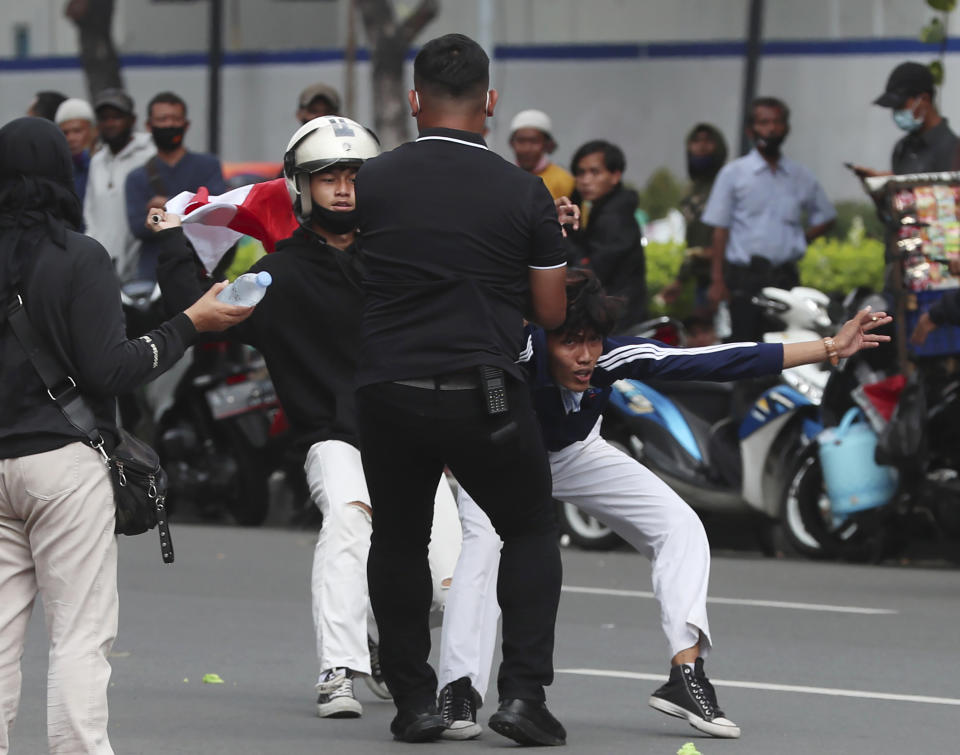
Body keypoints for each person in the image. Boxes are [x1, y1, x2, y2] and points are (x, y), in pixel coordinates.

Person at [436, 268, 892, 741]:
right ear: (542, 334)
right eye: (571, 342)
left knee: (681, 526)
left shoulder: (612, 357)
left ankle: (685, 675)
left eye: (593, 340)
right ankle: (458, 691)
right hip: (500, 456)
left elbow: (715, 360)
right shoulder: (514, 349)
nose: (586, 356)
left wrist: (830, 347)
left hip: (575, 452)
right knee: (483, 550)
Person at [150, 115, 463, 720]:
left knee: (454, 576)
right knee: (350, 519)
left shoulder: (403, 259)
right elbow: (202, 310)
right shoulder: (280, 273)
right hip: (333, 438)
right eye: (327, 177)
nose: (343, 188)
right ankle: (338, 670)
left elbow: (476, 275)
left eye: (354, 175)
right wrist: (170, 240)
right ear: (301, 187)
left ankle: (422, 666)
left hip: (415, 437)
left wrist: (546, 232)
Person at [0, 116, 251, 755]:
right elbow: (112, 368)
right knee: (80, 636)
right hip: (63, 464)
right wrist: (190, 321)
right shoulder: (79, 256)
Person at [353, 32, 573, 745]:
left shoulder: (375, 180)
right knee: (530, 527)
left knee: (399, 537)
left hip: (388, 386)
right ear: (491, 104)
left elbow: (355, 267)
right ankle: (522, 697)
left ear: (415, 102)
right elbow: (550, 313)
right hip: (485, 393)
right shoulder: (524, 189)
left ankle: (415, 701)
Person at [704, 97, 836, 342]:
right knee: (743, 349)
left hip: (785, 278)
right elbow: (719, 230)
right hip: (745, 279)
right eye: (764, 123)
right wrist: (717, 281)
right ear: (750, 130)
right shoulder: (734, 174)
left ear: (787, 128)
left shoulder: (800, 176)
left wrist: (800, 240)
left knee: (785, 349)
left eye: (777, 122)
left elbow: (826, 217)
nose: (771, 129)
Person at [125, 91, 226, 281]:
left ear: (186, 125)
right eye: (162, 119)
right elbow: (139, 227)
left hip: (203, 274)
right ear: (149, 126)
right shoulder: (136, 177)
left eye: (175, 119)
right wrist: (188, 210)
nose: (169, 125)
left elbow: (217, 214)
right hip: (154, 277)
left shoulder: (209, 166)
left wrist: (167, 207)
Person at [567, 139, 647, 329]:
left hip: (620, 321)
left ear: (615, 176)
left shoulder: (614, 217)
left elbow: (591, 273)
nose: (585, 180)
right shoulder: (603, 209)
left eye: (595, 172)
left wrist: (561, 236)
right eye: (580, 172)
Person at [84, 88, 156, 282]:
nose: (110, 124)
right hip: (100, 269)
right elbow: (90, 214)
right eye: (104, 118)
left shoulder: (149, 156)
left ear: (132, 120)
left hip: (141, 271)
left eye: (116, 117)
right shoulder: (97, 161)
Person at [661, 123, 729, 308]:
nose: (701, 146)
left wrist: (717, 254)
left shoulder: (727, 182)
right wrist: (680, 279)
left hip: (728, 278)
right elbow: (693, 240)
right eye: (696, 141)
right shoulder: (691, 189)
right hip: (702, 279)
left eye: (708, 141)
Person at [851, 61, 959, 177]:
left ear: (924, 99)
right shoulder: (902, 148)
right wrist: (883, 186)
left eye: (900, 106)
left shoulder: (953, 150)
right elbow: (902, 195)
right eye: (894, 108)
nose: (896, 113)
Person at [508, 109, 575, 200]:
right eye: (521, 141)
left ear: (547, 144)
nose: (527, 149)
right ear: (512, 143)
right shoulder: (503, 178)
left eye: (534, 141)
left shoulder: (564, 181)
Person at [54, 97, 97, 206]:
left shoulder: (105, 166)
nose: (71, 138)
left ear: (94, 131)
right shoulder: (58, 173)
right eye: (65, 133)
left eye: (77, 131)